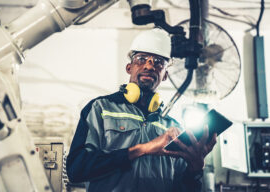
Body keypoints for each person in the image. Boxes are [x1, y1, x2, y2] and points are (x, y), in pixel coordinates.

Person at [66, 28, 217, 192]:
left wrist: (195, 170)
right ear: (129, 68)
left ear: (165, 75)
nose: (149, 66)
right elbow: (76, 169)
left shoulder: (173, 128)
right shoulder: (100, 109)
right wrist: (141, 149)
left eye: (159, 62)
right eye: (141, 59)